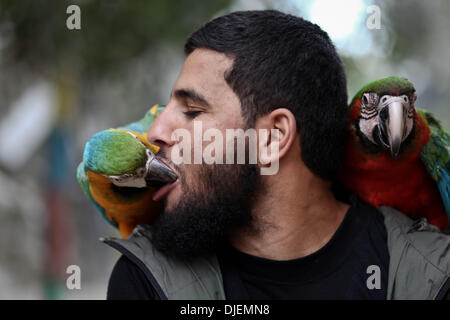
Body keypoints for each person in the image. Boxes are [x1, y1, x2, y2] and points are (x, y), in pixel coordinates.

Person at [105, 10, 450, 300]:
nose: (154, 133)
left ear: (273, 136)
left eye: (193, 111)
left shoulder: (432, 278)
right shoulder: (146, 281)